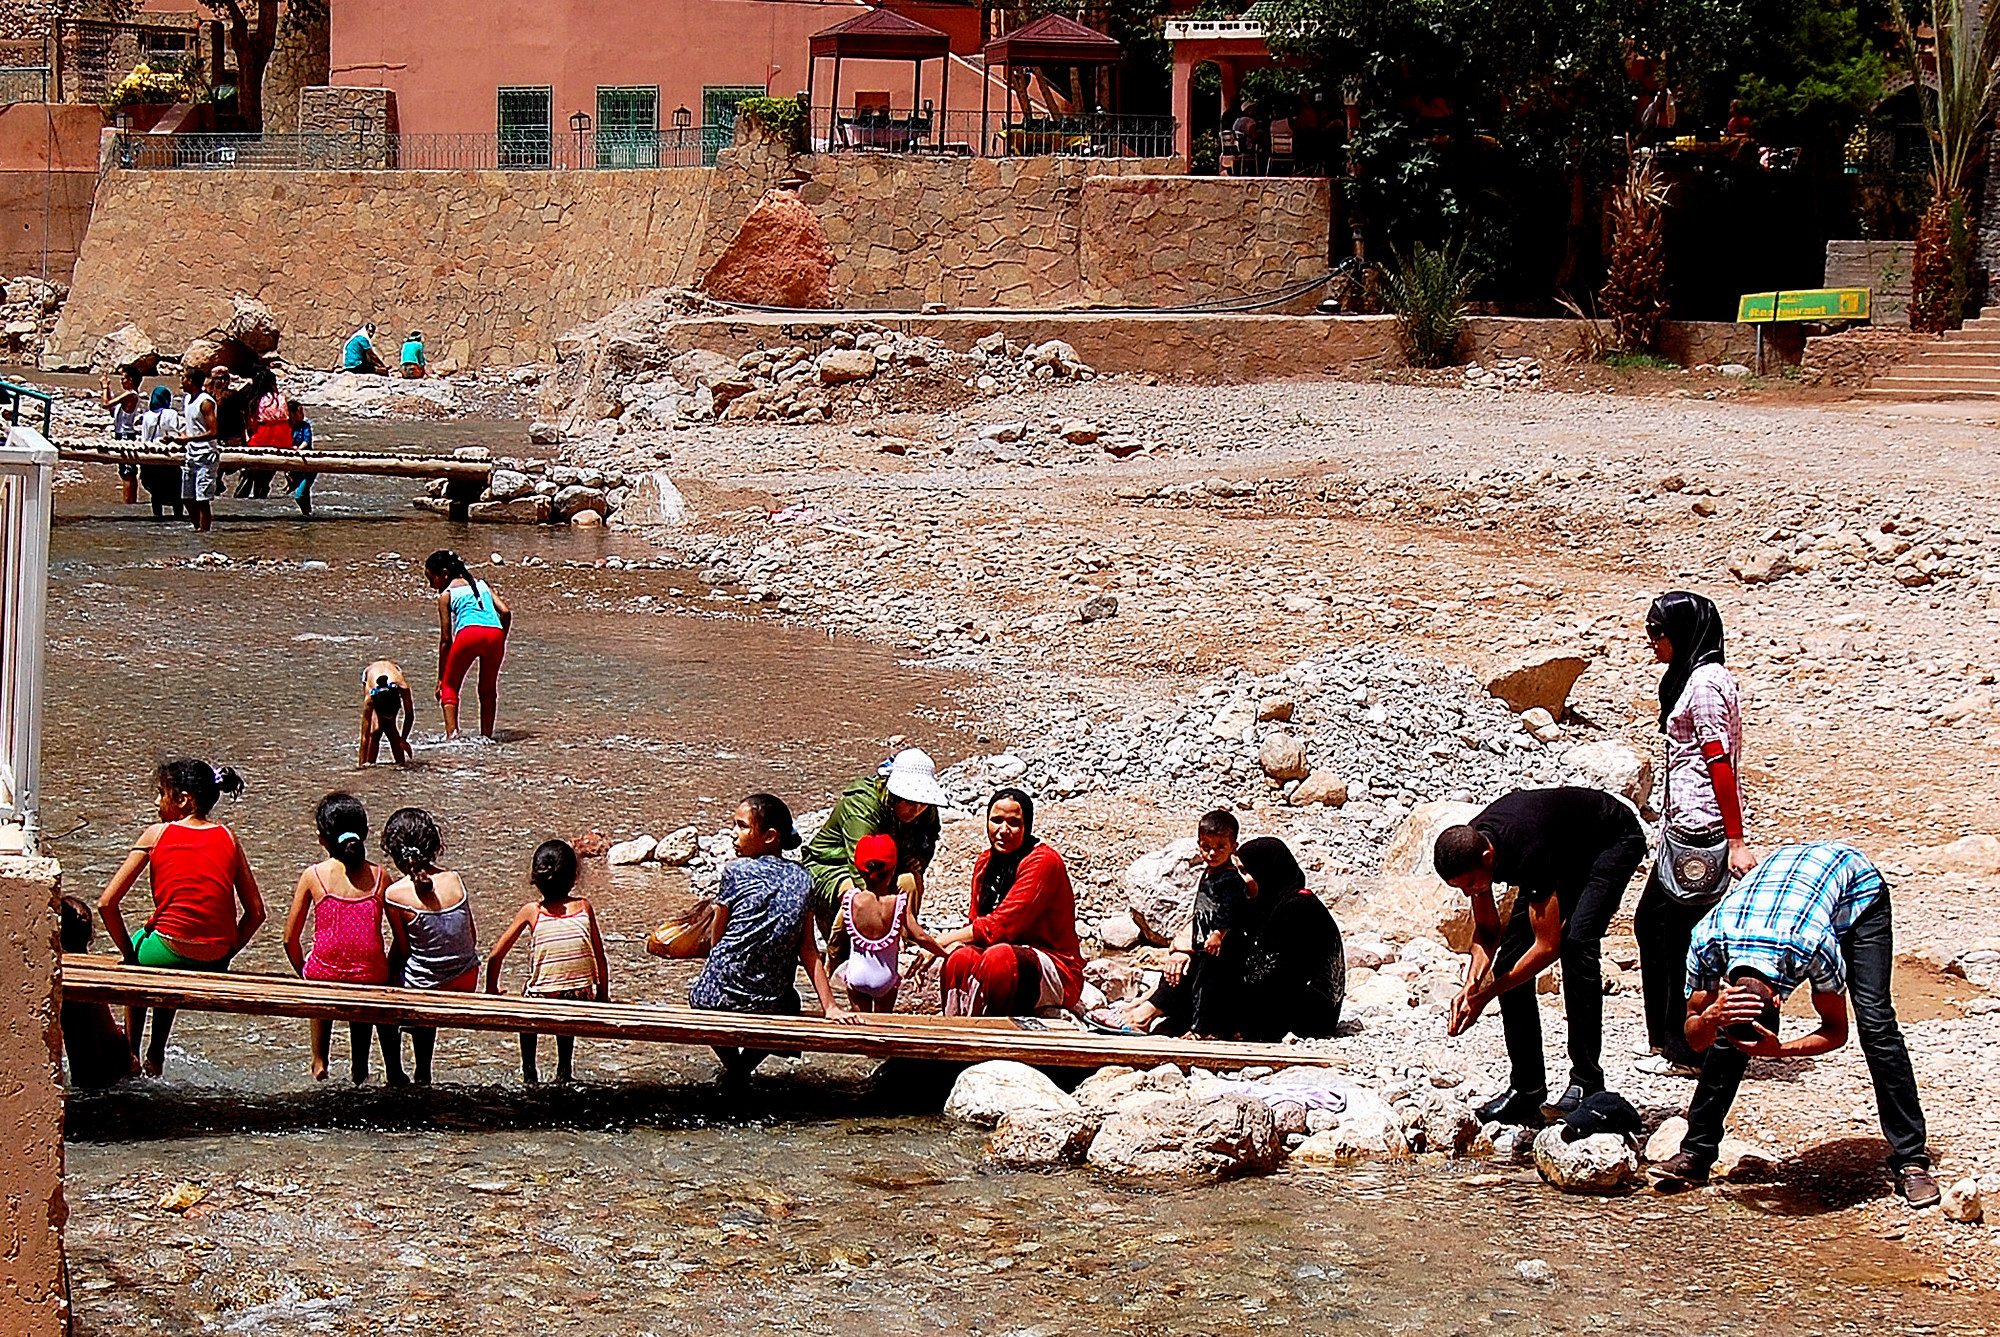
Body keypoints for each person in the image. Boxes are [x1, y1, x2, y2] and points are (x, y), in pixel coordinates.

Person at [1649, 842, 1938, 1207]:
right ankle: (1697, 1154)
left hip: (1856, 892)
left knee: (1876, 1024)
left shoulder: (1813, 945)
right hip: (1784, 890)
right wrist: (1712, 1016)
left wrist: (1780, 1050)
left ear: (1778, 1001)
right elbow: (1694, 1038)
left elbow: (1837, 1030)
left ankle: (1912, 1161)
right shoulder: (1707, 938)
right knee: (1725, 1042)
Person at [1434, 786, 1648, 1123]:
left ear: (1488, 859)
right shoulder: (1473, 848)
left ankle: (1587, 1081)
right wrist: (1471, 985)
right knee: (1508, 962)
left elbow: (1547, 948)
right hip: (1559, 852)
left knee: (1577, 944)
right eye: (1461, 888)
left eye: (1471, 884)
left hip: (1611, 840)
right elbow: (1489, 931)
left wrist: (1488, 995)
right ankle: (1527, 1089)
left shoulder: (1525, 849)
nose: (1470, 892)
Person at [1636, 591, 1754, 1078]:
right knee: (1655, 927)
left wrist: (1736, 839)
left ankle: (1690, 1046)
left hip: (1701, 827)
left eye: (1658, 634)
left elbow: (1719, 762)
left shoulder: (1704, 684)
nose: (1653, 645)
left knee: (1681, 936)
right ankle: (1673, 1039)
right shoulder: (1695, 677)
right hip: (1682, 826)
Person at [97, 759, 263, 1076]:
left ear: (183, 799)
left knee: (148, 952)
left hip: (168, 948)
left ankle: (132, 1053)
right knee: (173, 949)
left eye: (162, 793)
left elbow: (107, 903)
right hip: (215, 955)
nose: (157, 801)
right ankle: (156, 1054)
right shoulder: (228, 837)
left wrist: (128, 954)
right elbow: (256, 913)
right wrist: (228, 950)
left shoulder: (157, 835)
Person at [1094, 835, 1345, 1042]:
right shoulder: (1268, 902)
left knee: (1219, 951)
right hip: (1277, 998)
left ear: (1266, 873)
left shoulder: (1298, 909)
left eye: (1246, 872)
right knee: (1211, 947)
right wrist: (1181, 951)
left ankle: (1144, 1016)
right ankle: (1142, 1007)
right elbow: (1203, 923)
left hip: (1307, 1016)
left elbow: (1275, 978)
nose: (1240, 880)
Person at [690, 793, 852, 1077]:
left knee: (698, 997)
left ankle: (735, 1069)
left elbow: (718, 939)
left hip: (719, 998)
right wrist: (831, 1007)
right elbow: (808, 949)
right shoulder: (804, 878)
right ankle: (742, 1069)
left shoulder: (735, 871)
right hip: (772, 1002)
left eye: (741, 826)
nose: (733, 833)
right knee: (792, 1004)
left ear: (769, 837)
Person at [923, 789, 1083, 1018]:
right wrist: (952, 948)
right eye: (996, 821)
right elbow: (977, 923)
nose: (1003, 830)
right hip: (997, 954)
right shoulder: (985, 862)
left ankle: (998, 1032)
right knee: (960, 959)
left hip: (1054, 967)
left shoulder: (1044, 862)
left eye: (1014, 823)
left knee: (1000, 958)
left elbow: (1001, 926)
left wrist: (936, 942)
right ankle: (959, 1031)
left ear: (1027, 826)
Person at [281, 793, 405, 1084]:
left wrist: (304, 973)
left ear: (322, 838)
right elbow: (401, 939)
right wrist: (384, 968)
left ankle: (319, 1060)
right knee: (365, 977)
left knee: (320, 972)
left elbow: (289, 938)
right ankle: (359, 1067)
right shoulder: (380, 876)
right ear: (363, 834)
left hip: (324, 977)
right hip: (369, 977)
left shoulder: (313, 876)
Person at [486, 840, 608, 1085]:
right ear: (574, 877)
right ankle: (564, 1069)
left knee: (529, 997)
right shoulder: (584, 907)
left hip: (542, 999)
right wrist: (602, 997)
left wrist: (491, 990)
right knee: (568, 991)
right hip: (579, 997)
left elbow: (494, 956)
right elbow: (600, 959)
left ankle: (529, 1071)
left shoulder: (532, 911)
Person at [382, 807, 480, 1085]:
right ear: (434, 846)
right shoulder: (455, 880)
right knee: (427, 972)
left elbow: (402, 949)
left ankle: (395, 1073)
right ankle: (423, 1069)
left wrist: (385, 976)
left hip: (428, 986)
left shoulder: (394, 894)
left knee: (385, 992)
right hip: (466, 979)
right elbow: (471, 937)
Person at [802, 748, 947, 933]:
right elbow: (861, 865)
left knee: (909, 881)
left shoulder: (925, 810)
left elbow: (927, 841)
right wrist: (878, 913)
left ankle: (902, 939)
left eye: (923, 802)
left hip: (886, 867)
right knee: (852, 895)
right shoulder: (862, 807)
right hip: (833, 864)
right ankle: (844, 949)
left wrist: (917, 859)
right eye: (910, 802)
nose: (917, 809)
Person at [834, 833, 947, 1013]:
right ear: (893, 870)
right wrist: (944, 954)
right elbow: (919, 936)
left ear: (859, 870)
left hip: (857, 975)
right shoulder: (898, 903)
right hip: (884, 980)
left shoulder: (849, 899)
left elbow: (838, 933)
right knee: (882, 1024)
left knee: (860, 1025)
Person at [426, 550, 511, 741]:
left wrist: (440, 677)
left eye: (431, 578)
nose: (430, 585)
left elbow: (446, 639)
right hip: (495, 633)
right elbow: (505, 612)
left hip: (469, 634)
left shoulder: (446, 596)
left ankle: (452, 737)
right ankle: (486, 737)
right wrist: (500, 640)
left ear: (445, 574)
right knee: (487, 690)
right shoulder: (482, 585)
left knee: (450, 687)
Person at [59, 895, 136, 1089]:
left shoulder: (64, 978)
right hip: (116, 1051)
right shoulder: (91, 971)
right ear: (90, 935)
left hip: (89, 1063)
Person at [176, 365, 225, 533]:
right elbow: (192, 427)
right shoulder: (187, 400)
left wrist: (188, 438)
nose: (181, 381)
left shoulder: (205, 402)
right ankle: (197, 528)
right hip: (191, 454)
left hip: (206, 454)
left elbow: (214, 432)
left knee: (202, 499)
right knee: (187, 498)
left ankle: (204, 531)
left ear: (191, 381)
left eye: (184, 378)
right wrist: (180, 437)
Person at [232, 365, 282, 499]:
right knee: (264, 480)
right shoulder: (278, 399)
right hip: (277, 441)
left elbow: (248, 422)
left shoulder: (250, 397)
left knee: (247, 476)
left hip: (257, 439)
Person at [137, 385, 184, 520]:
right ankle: (178, 517)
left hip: (152, 456)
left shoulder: (147, 415)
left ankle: (157, 517)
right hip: (169, 456)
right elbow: (174, 433)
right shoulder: (172, 414)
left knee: (156, 492)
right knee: (176, 491)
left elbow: (144, 438)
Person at [359, 659, 415, 766]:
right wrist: (361, 765)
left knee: (390, 728)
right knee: (375, 731)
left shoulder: (403, 688)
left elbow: (409, 715)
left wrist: (403, 740)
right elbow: (365, 736)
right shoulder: (370, 697)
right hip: (370, 673)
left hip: (394, 669)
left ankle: (400, 764)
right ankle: (369, 764)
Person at [100, 368, 142, 504]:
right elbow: (112, 411)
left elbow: (106, 404)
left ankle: (129, 502)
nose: (122, 381)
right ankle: (130, 501)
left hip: (126, 435)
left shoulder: (130, 395)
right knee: (125, 471)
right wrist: (107, 389)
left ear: (130, 380)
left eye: (123, 378)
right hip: (121, 433)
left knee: (127, 472)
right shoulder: (126, 396)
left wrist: (105, 387)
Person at [285, 399, 316, 517]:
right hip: (295, 466)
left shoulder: (305, 426)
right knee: (304, 494)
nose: (303, 415)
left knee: (299, 495)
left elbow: (306, 441)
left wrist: (297, 450)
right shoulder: (286, 426)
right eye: (300, 412)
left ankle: (307, 514)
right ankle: (308, 515)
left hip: (309, 465)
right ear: (292, 414)